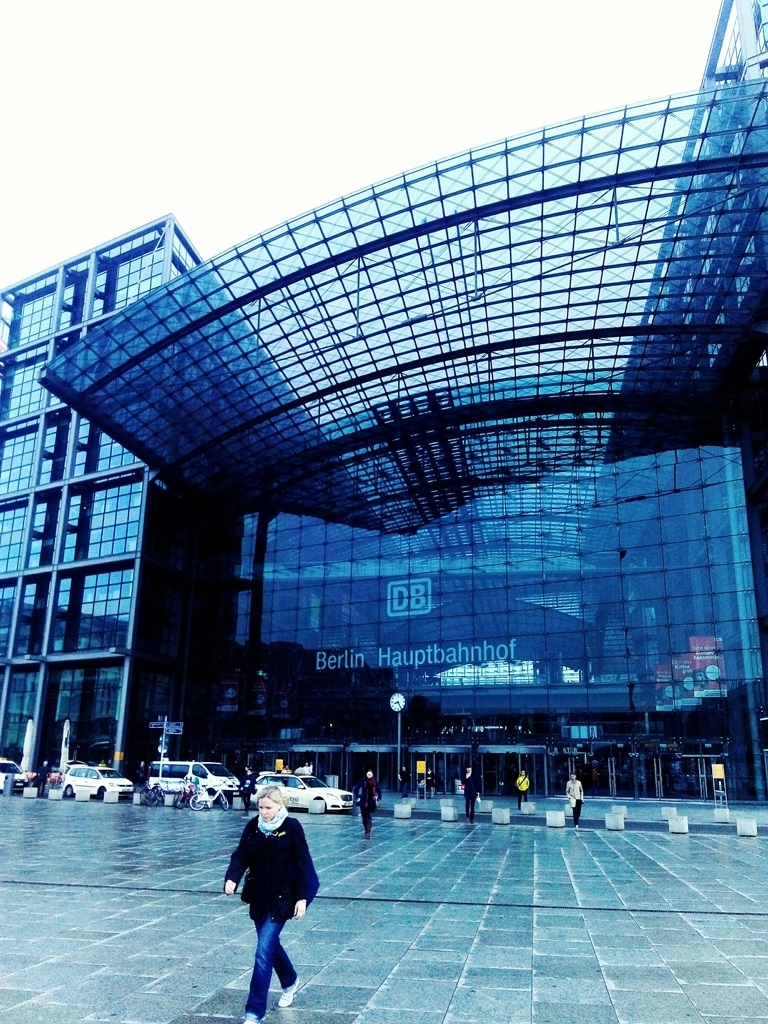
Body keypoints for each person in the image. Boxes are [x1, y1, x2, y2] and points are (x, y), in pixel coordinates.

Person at [224, 785, 319, 1024]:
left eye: (268, 807)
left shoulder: (292, 827)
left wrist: (302, 898)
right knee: (270, 946)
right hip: (258, 898)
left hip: (281, 899)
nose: (264, 812)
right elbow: (241, 855)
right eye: (260, 807)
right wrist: (232, 877)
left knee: (262, 953)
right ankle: (290, 980)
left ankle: (254, 1013)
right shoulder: (253, 826)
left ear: (279, 805)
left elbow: (303, 863)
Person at [353, 770, 380, 838]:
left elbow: (379, 790)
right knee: (364, 817)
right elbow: (356, 788)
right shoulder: (363, 781)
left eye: (370, 774)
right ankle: (366, 829)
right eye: (368, 774)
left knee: (368, 816)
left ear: (372, 775)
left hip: (371, 801)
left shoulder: (374, 782)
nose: (369, 776)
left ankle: (368, 832)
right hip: (363, 800)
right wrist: (358, 796)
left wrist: (378, 798)